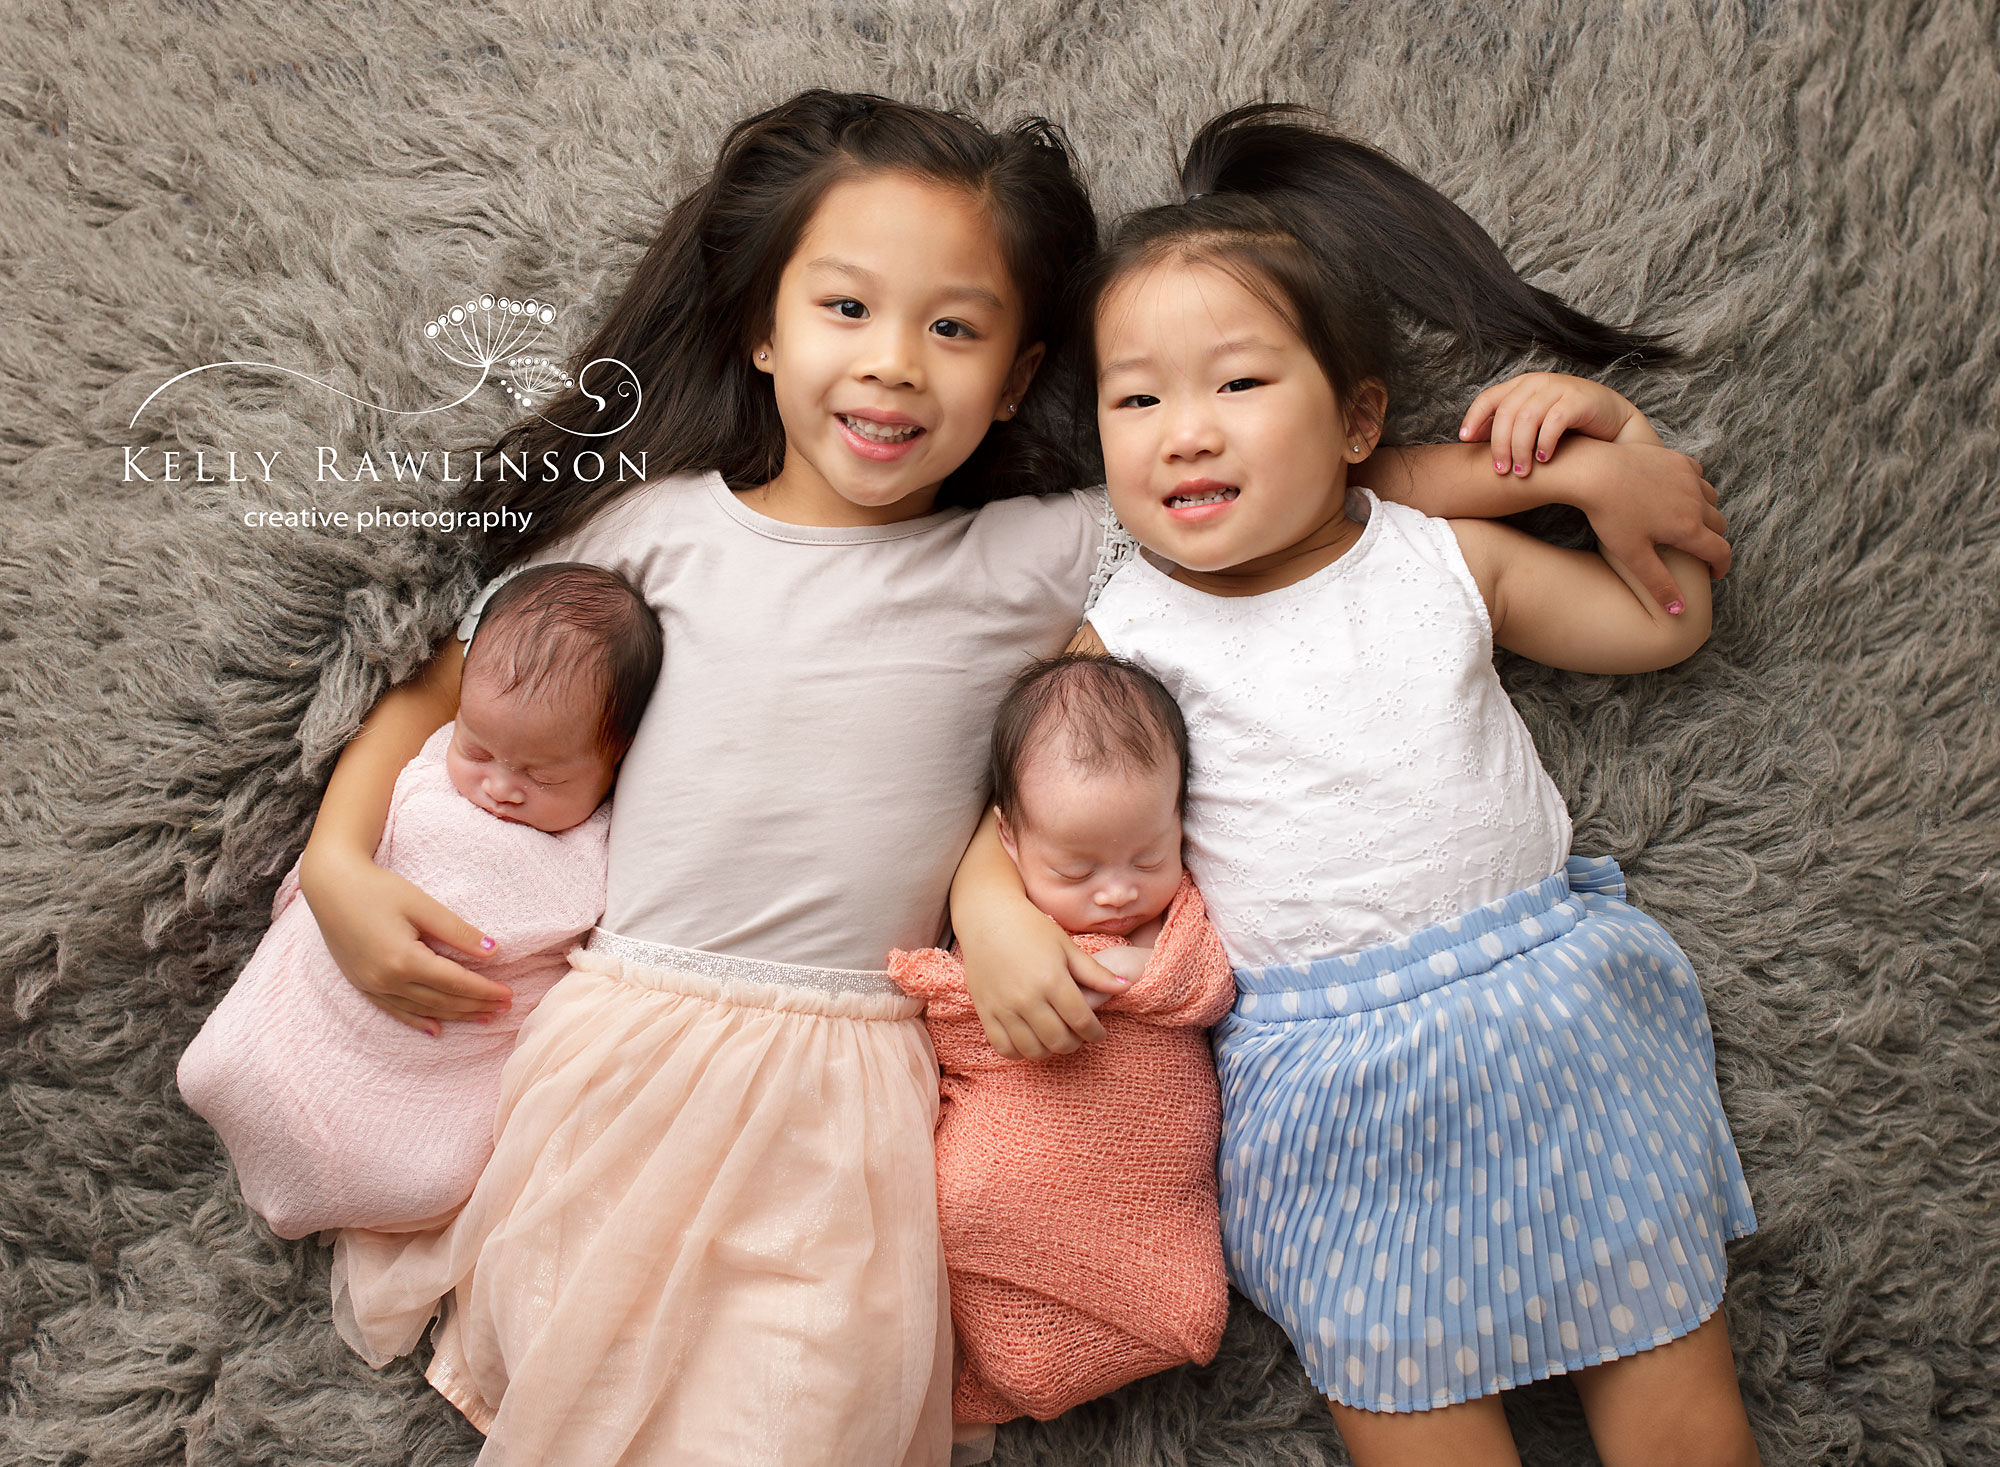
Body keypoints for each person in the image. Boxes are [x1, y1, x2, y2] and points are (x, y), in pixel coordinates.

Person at [294, 90, 1733, 1466]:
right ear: (759, 329)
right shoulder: (656, 529)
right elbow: (438, 688)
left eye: (955, 327)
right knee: (589, 1373)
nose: (894, 363)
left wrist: (1572, 463)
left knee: (798, 1402)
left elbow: (1298, 493)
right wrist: (339, 864)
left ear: (1022, 379)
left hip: (855, 1071)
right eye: (845, 308)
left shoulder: (1050, 549)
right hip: (637, 1039)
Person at [949, 106, 1760, 1467]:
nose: (1185, 434)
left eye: (1241, 386)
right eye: (1137, 399)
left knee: (1682, 1423)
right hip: (1325, 1081)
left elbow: (1664, 622)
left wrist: (1609, 437)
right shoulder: (1127, 628)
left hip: (1555, 1022)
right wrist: (994, 914)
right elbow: (1004, 820)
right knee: (1415, 1427)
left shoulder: (1438, 554)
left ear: (1359, 418)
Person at [176, 563, 658, 1239]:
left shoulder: (598, 848)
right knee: (228, 1062)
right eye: (478, 748)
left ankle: (386, 1165)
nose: (498, 787)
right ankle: (250, 1064)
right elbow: (368, 836)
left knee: (425, 1173)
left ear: (618, 760)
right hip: (330, 994)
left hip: (435, 1062)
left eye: (541, 773)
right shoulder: (428, 767)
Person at [887, 654, 1233, 1457]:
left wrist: (1136, 971)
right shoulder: (1001, 920)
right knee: (954, 1227)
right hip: (992, 1210)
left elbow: (1203, 981)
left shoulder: (1168, 920)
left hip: (1139, 1200)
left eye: (1149, 858)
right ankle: (974, 1398)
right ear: (1006, 839)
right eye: (1075, 869)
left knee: (1181, 1299)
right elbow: (942, 1005)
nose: (1116, 892)